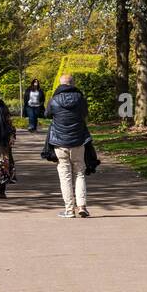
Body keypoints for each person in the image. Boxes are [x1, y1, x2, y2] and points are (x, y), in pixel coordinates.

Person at [47, 74, 90, 218]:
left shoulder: (54, 100)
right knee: (79, 173)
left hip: (60, 142)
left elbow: (47, 114)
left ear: (60, 84)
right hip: (78, 140)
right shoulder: (80, 99)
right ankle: (82, 206)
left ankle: (69, 209)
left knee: (65, 176)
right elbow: (85, 114)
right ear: (73, 83)